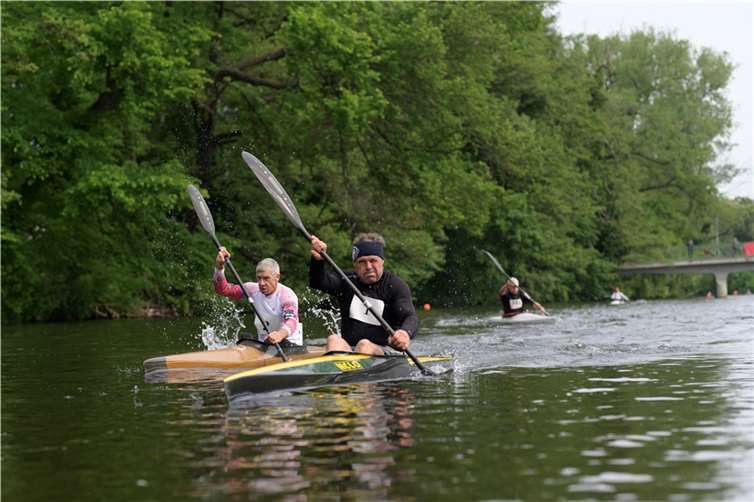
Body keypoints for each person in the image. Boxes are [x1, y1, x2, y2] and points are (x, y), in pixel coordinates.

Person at [309, 232, 418, 355]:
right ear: (355, 264)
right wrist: (318, 261)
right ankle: (341, 371)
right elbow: (318, 282)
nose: (368, 266)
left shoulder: (395, 285)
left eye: (373, 260)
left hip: (386, 350)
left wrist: (404, 333)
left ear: (382, 262)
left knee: (364, 345)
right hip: (350, 349)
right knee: (333, 339)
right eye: (362, 261)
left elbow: (410, 316)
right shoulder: (347, 281)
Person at [214, 247, 303, 347]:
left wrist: (280, 335)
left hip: (289, 343)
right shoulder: (252, 289)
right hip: (265, 343)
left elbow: (292, 321)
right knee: (244, 337)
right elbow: (223, 290)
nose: (261, 283)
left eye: (266, 278)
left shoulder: (286, 296)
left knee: (283, 343)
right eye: (258, 278)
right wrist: (219, 267)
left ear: (277, 277)